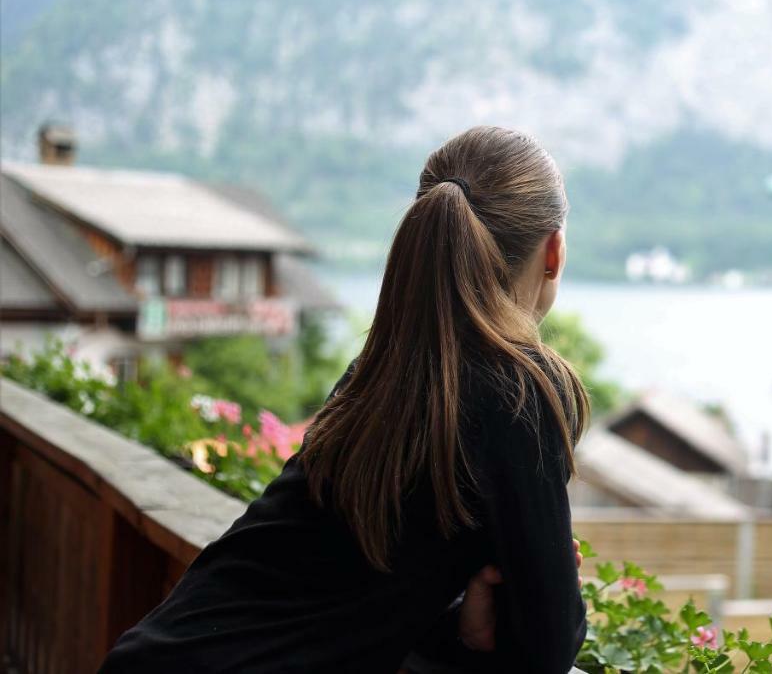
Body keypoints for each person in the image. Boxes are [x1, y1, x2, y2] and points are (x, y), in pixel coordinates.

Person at [101, 127, 591, 673]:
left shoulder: (379, 372)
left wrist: (457, 626)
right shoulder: (520, 391)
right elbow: (547, 648)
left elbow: (342, 585)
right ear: (554, 251)